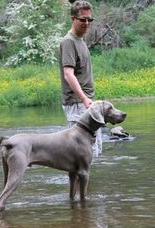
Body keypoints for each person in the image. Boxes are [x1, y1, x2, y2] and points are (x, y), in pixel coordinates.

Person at [59, 0, 102, 156]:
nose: (86, 23)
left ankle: (88, 181)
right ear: (73, 19)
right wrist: (84, 99)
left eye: (89, 20)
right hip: (77, 104)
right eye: (82, 19)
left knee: (92, 152)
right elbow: (68, 74)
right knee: (80, 155)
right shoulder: (68, 42)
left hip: (86, 103)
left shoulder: (80, 40)